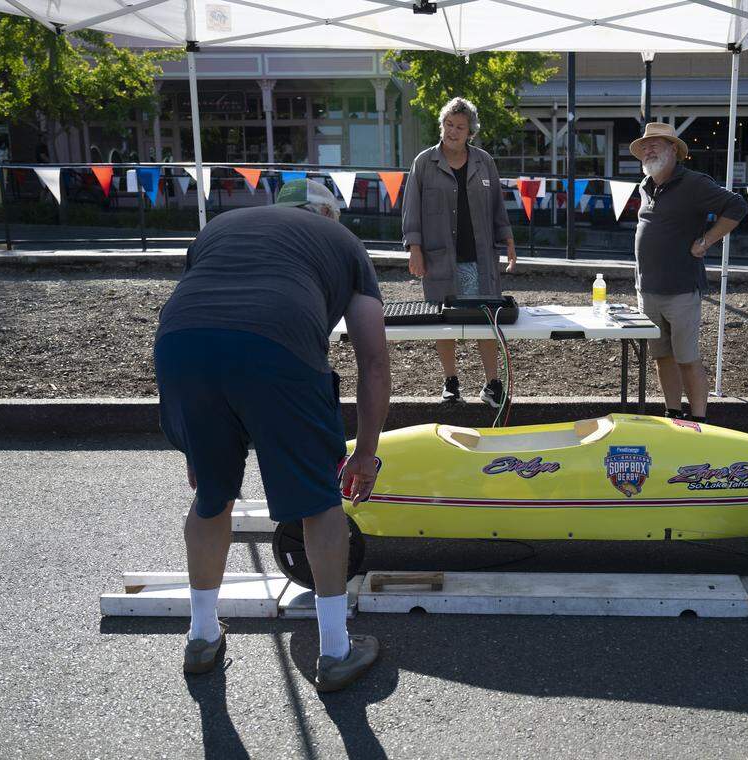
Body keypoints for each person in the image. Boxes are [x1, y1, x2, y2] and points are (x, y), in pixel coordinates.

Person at [153, 179, 390, 691]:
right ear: (329, 215)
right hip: (277, 346)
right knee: (318, 502)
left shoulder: (221, 226)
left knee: (210, 498)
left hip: (180, 345)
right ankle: (334, 650)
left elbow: (198, 309)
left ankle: (200, 636)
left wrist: (199, 447)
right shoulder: (344, 243)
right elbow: (372, 359)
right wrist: (366, 452)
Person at [629, 122, 748, 423]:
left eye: (657, 143)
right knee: (661, 356)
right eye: (645, 145)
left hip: (681, 289)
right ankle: (672, 414)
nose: (649, 149)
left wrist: (707, 240)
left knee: (686, 358)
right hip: (648, 289)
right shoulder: (646, 185)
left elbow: (737, 206)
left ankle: (699, 422)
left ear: (674, 150)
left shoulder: (694, 183)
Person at [402, 96, 516, 407]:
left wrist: (507, 238)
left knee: (487, 321)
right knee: (443, 322)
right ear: (441, 126)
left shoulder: (484, 162)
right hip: (440, 258)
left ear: (470, 132)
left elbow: (497, 208)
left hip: (480, 257)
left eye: (460, 127)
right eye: (448, 124)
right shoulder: (424, 163)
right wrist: (415, 248)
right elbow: (411, 209)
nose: (453, 131)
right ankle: (451, 382)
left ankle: (492, 384)